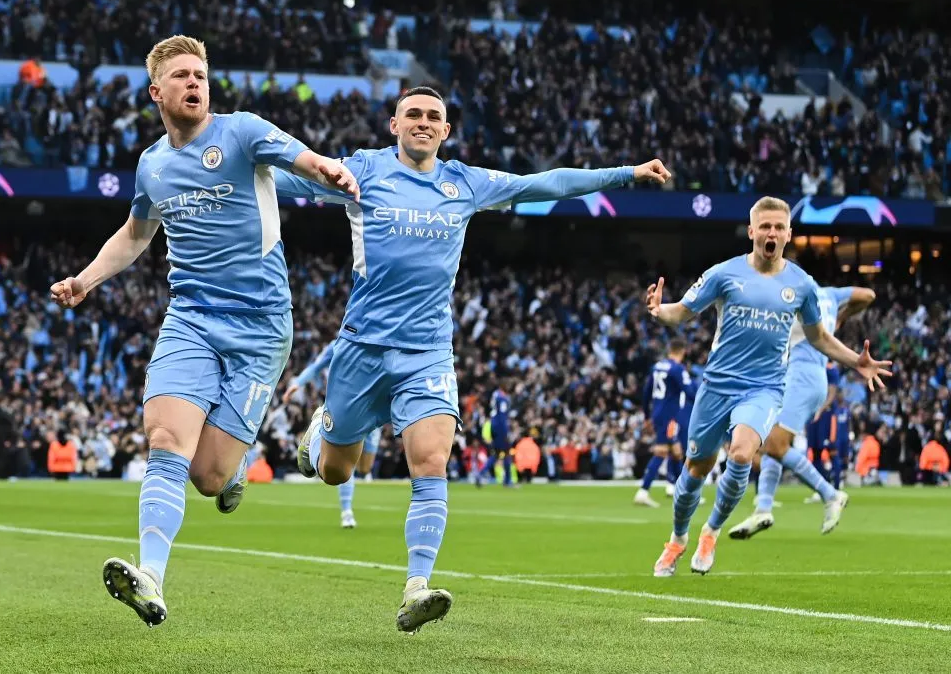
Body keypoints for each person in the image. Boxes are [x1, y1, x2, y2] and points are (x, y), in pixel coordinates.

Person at [272, 85, 671, 632]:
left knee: (431, 463)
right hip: (361, 348)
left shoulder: (464, 182)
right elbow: (290, 174)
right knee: (335, 470)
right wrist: (235, 157)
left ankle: (417, 585)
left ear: (445, 130)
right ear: (394, 124)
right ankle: (321, 435)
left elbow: (546, 183)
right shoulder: (361, 170)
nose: (423, 122)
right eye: (413, 114)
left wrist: (624, 172)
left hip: (428, 351)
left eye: (433, 116)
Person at [49, 35, 359, 627]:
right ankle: (152, 577)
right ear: (156, 91)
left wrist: (328, 169)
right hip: (190, 319)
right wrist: (86, 280)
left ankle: (283, 449)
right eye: (183, 76)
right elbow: (137, 235)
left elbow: (304, 159)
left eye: (201, 75)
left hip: (261, 329)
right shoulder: (153, 164)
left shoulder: (241, 131)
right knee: (164, 439)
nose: (195, 83)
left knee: (209, 476)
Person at [645, 196, 892, 577]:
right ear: (752, 232)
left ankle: (711, 531)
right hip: (717, 387)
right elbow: (682, 312)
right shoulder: (723, 274)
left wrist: (853, 360)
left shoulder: (802, 285)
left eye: (779, 227)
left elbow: (819, 337)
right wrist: (660, 311)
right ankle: (678, 540)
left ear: (789, 233)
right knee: (695, 469)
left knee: (742, 455)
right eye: (765, 226)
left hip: (763, 388)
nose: (772, 232)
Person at [729, 286, 875, 540]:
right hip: (811, 376)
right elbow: (868, 295)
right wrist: (843, 315)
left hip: (801, 374)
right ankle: (763, 509)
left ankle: (830, 494)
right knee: (773, 441)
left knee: (774, 444)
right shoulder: (829, 294)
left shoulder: (790, 292)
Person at [282, 340, 383, 529]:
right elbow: (316, 366)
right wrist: (297, 383)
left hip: (373, 408)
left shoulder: (382, 337)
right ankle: (347, 512)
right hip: (348, 406)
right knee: (345, 464)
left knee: (365, 467)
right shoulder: (341, 343)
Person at [635, 337, 695, 507]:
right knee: (661, 452)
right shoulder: (678, 369)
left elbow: (646, 393)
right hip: (670, 417)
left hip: (658, 414)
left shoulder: (657, 367)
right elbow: (689, 392)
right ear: (682, 351)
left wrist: (647, 416)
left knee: (676, 452)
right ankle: (643, 491)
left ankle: (682, 493)